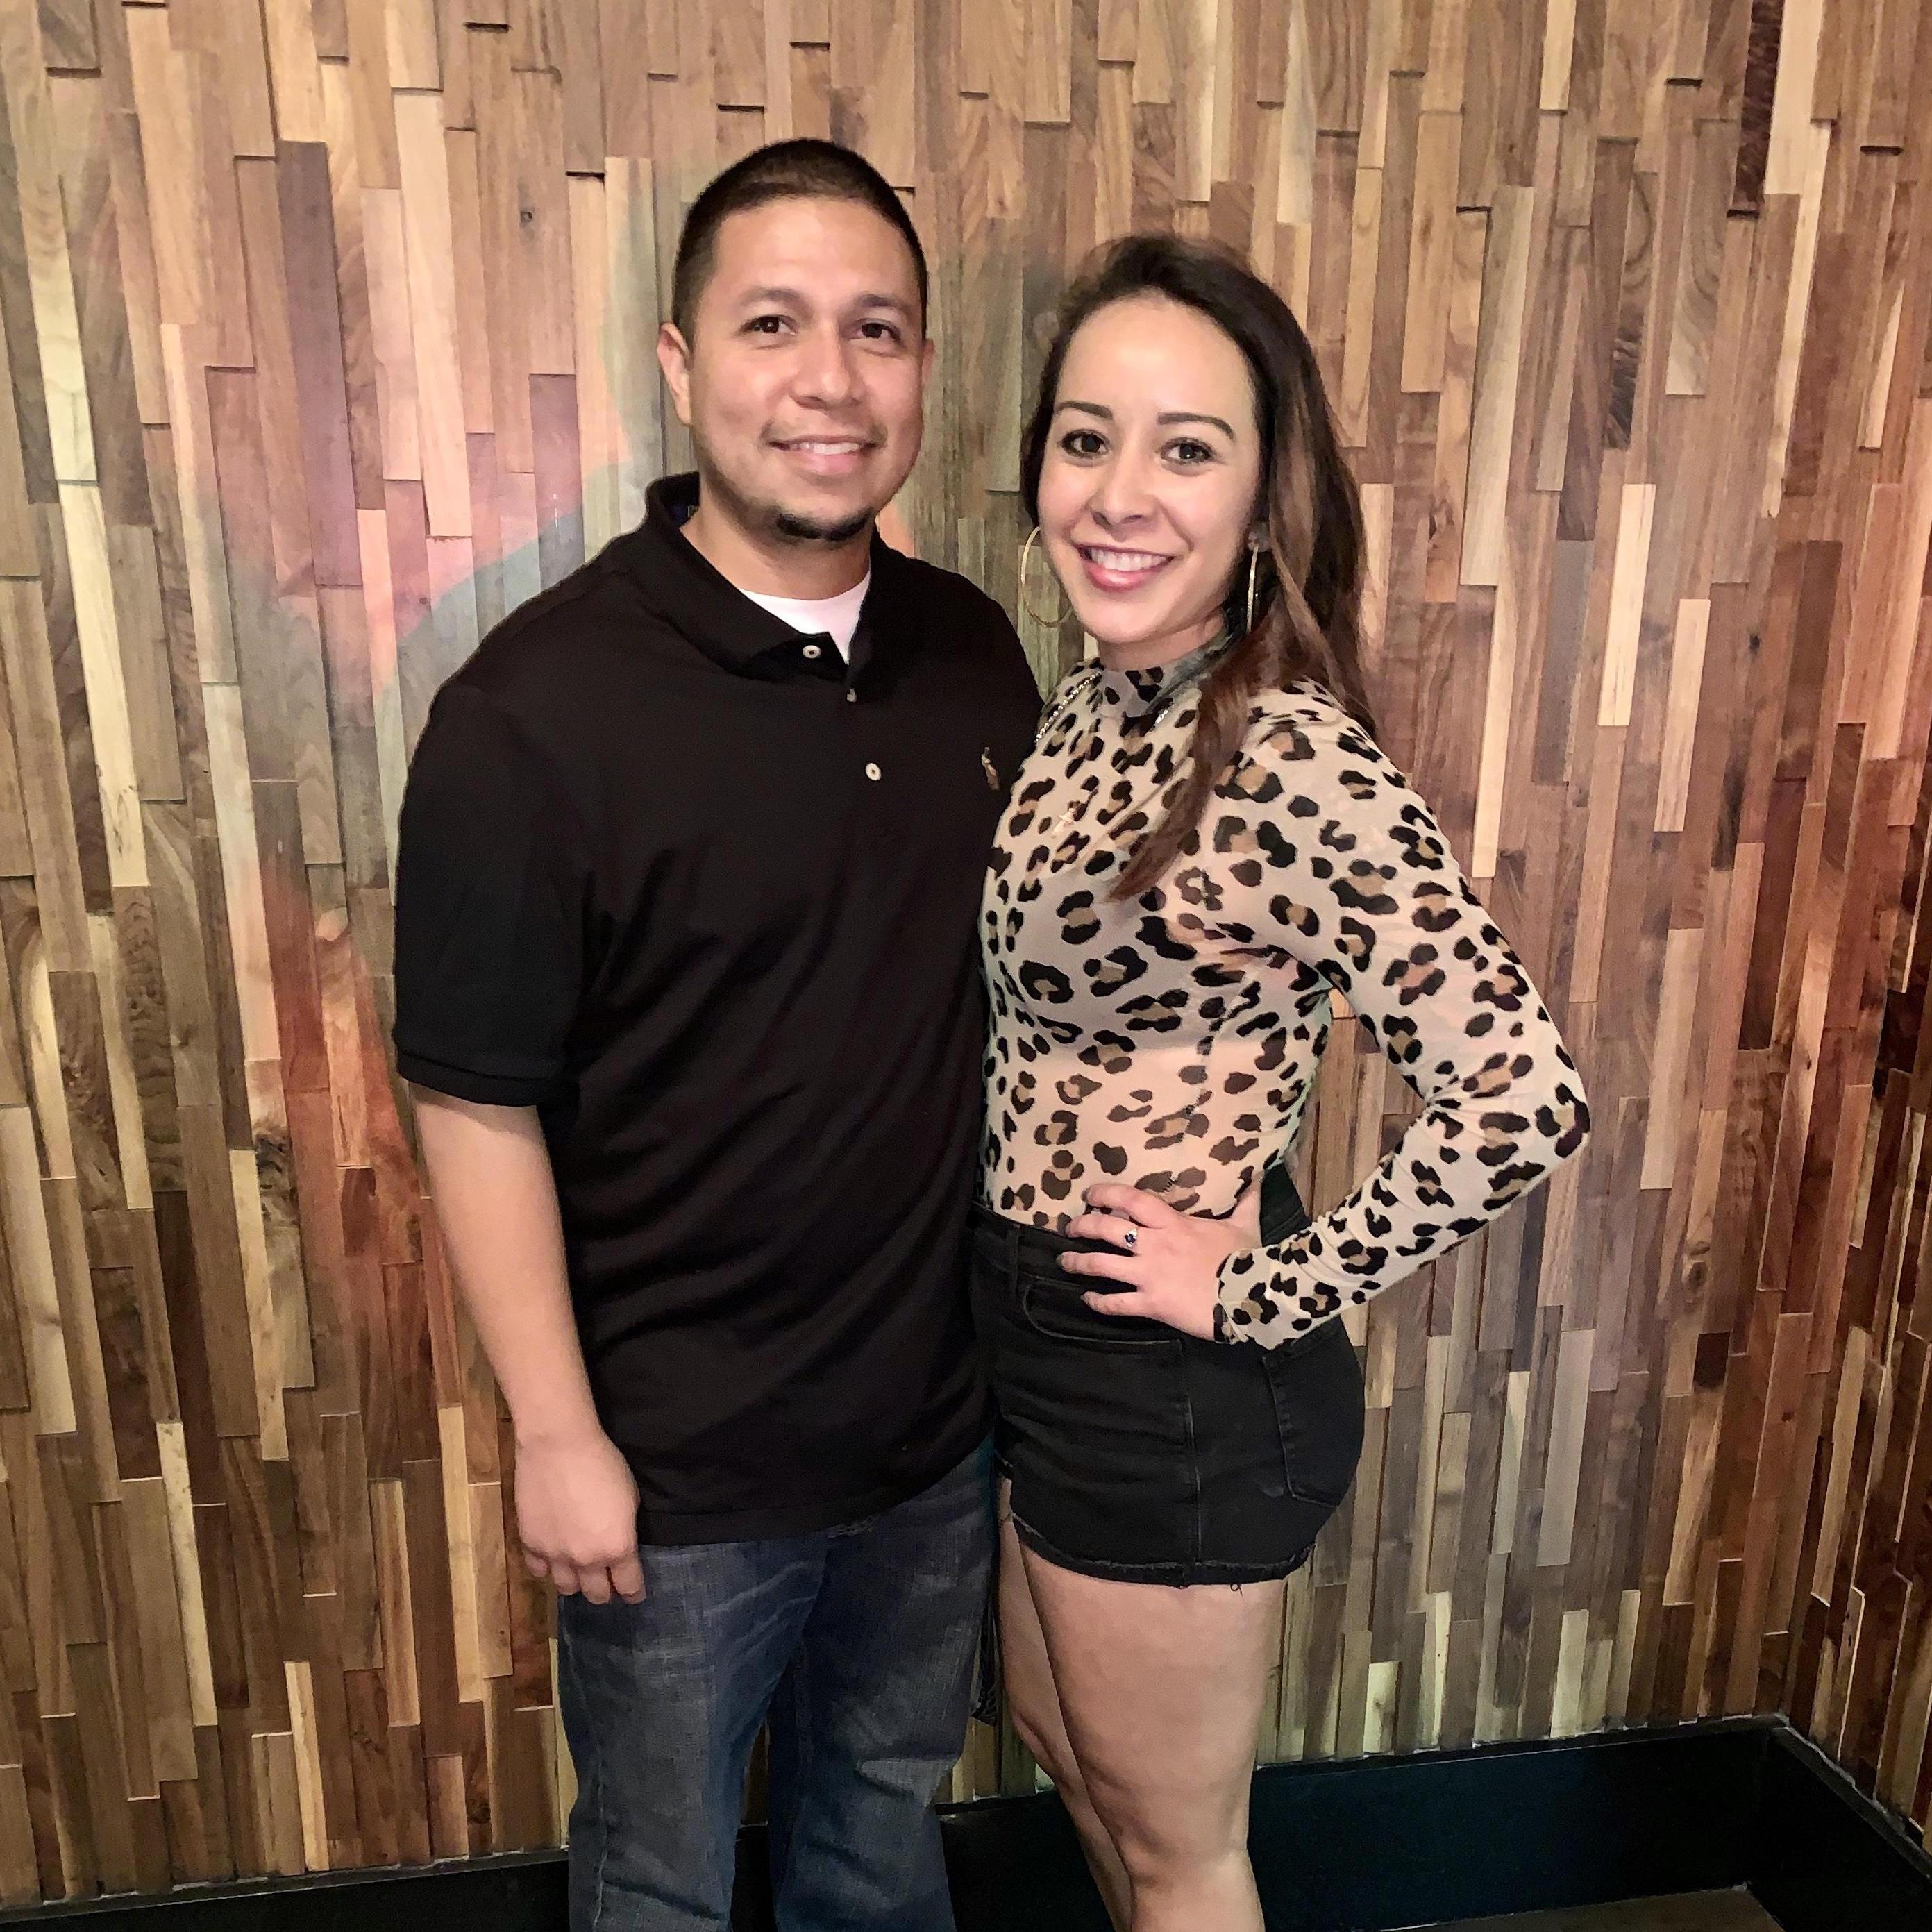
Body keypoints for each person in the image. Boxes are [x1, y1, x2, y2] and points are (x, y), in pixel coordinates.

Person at [391, 140, 1041, 1931]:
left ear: (922, 369)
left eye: (876, 330)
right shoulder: (532, 714)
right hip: (677, 1483)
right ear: (680, 368)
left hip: (934, 1448)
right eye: (773, 325)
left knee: (878, 1848)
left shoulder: (978, 656)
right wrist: (555, 1436)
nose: (830, 379)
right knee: (659, 1883)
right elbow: (473, 1097)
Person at [971, 234, 1593, 1932]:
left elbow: (1522, 1096)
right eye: (1085, 438)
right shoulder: (1094, 709)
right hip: (1037, 1325)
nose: (1119, 493)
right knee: (1073, 1762)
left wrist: (1260, 1292)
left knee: (1182, 1852)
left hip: (1167, 1378)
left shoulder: (1287, 754)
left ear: (1265, 499)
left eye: (1186, 448)